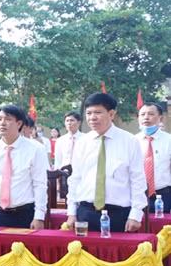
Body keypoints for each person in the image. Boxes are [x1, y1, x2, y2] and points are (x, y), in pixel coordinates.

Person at [67, 93, 146, 233]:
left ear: (111, 114)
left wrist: (136, 214)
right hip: (86, 213)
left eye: (98, 112)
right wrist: (71, 212)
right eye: (89, 113)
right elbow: (75, 179)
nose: (92, 117)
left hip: (118, 213)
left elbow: (137, 180)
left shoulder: (129, 141)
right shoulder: (82, 143)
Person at [0, 105, 47, 228]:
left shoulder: (35, 149)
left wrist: (39, 216)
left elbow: (40, 184)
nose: (2, 123)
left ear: (19, 123)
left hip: (24, 214)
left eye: (8, 119)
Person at [136, 102, 171, 212]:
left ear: (160, 119)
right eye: (142, 114)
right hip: (137, 195)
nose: (146, 117)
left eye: (151, 114)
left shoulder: (169, 141)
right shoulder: (132, 141)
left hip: (163, 195)